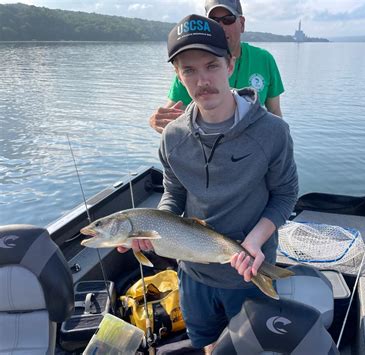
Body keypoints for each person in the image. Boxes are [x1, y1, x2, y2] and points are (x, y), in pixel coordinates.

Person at [125, 14, 298, 353]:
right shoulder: (173, 137)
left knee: (249, 347)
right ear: (178, 75)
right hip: (193, 274)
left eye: (211, 65)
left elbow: (285, 194)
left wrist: (255, 242)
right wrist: (152, 230)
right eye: (189, 70)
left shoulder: (273, 133)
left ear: (231, 64)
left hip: (249, 270)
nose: (202, 80)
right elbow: (173, 193)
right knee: (206, 344)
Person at [149, 0, 285, 133]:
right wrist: (155, 121)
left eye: (228, 19)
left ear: (242, 24)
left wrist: (280, 141)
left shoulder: (264, 59)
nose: (221, 26)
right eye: (214, 20)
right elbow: (171, 113)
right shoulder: (193, 68)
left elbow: (274, 111)